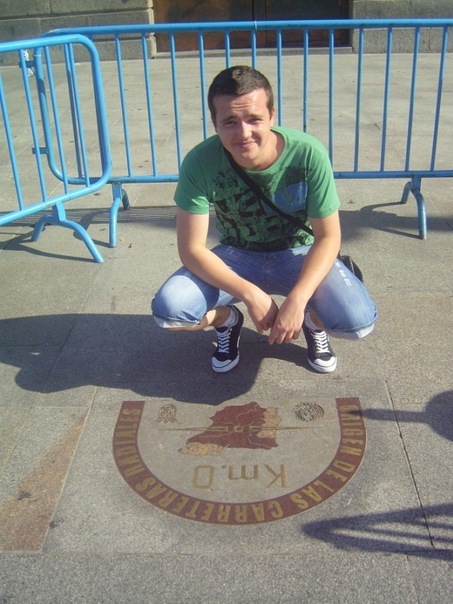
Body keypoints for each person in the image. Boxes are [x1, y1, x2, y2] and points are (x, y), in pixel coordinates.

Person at [152, 65, 377, 374]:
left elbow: (328, 236)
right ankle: (226, 320)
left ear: (272, 115)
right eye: (230, 122)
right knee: (170, 312)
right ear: (215, 123)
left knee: (357, 322)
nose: (243, 133)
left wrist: (298, 299)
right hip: (236, 255)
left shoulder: (308, 153)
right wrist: (250, 294)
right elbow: (192, 249)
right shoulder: (200, 161)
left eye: (254, 119)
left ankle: (313, 322)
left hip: (298, 253)